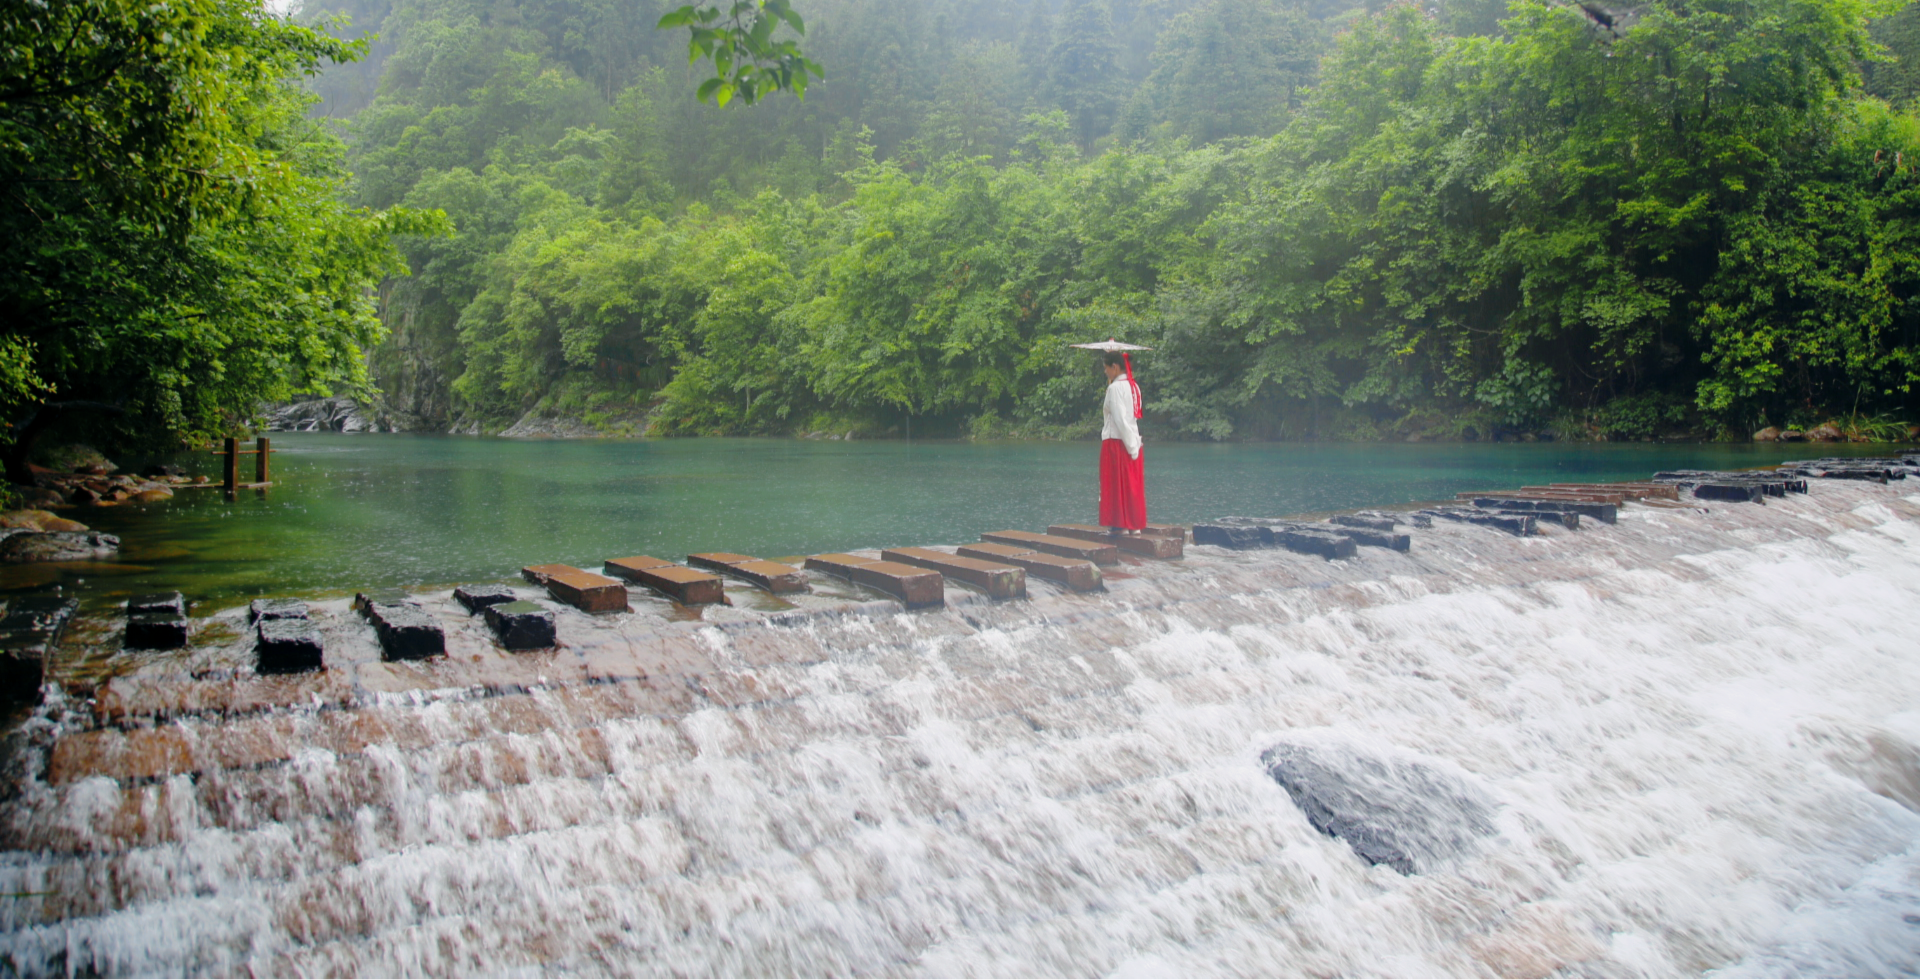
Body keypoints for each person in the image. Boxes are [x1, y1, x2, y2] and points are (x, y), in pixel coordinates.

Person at [1099, 350, 1146, 534]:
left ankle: (1119, 524)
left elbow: (1119, 419)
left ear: (1115, 367)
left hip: (1116, 441)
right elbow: (1132, 418)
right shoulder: (1134, 386)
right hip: (1132, 438)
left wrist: (1130, 446)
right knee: (1130, 484)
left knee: (1115, 484)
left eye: (1106, 368)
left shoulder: (1115, 388)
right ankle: (1133, 524)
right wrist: (1134, 444)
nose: (1105, 372)